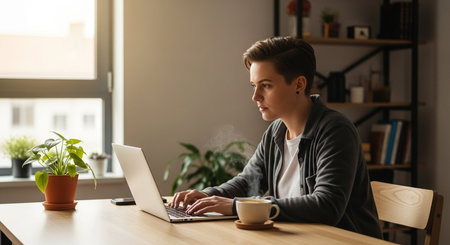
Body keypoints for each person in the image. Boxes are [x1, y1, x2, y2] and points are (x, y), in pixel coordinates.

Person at [169, 36, 382, 239]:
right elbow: (248, 182)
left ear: (299, 85)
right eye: (254, 86)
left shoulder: (335, 130)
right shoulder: (276, 131)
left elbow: (327, 206)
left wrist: (237, 206)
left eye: (266, 85)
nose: (255, 97)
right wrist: (207, 196)